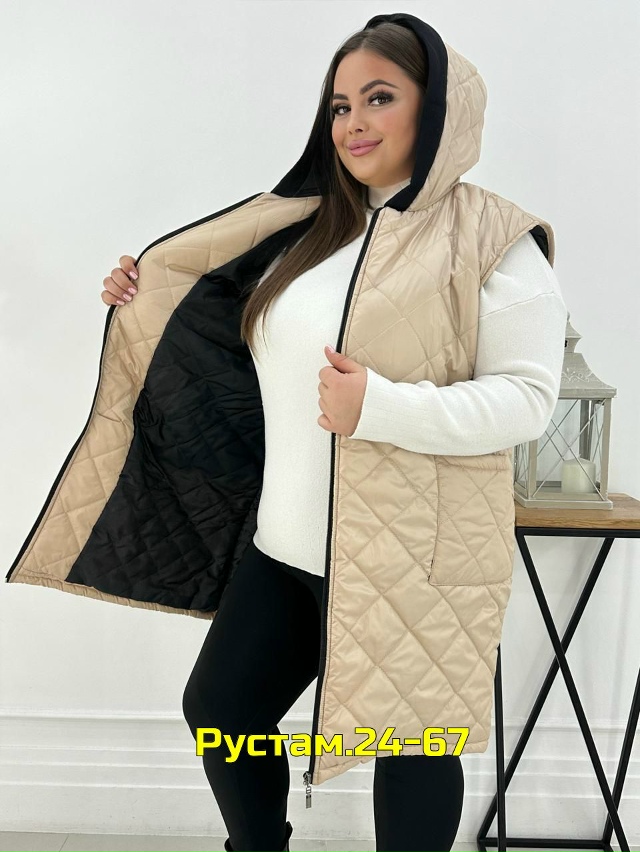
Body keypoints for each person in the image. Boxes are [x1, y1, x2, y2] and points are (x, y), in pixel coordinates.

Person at [10, 12, 567, 852]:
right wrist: (149, 292)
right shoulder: (311, 226)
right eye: (340, 105)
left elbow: (527, 401)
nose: (353, 123)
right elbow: (238, 337)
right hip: (289, 544)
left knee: (412, 748)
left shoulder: (496, 241)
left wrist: (381, 405)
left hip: (413, 554)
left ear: (440, 107)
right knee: (223, 709)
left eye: (379, 98)